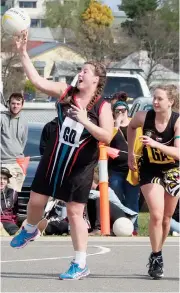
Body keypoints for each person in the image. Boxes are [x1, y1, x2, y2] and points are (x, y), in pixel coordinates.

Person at [10, 31, 113, 280]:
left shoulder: (102, 106)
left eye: (86, 71)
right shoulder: (66, 93)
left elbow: (106, 137)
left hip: (79, 166)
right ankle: (31, 229)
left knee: (75, 212)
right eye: (81, 69)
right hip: (55, 158)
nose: (81, 73)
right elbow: (37, 82)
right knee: (35, 201)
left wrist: (85, 121)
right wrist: (23, 53)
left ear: (96, 79)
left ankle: (80, 263)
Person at [127, 84, 180, 279]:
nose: (155, 102)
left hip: (173, 170)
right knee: (156, 215)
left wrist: (156, 144)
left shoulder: (177, 122)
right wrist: (132, 152)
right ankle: (156, 256)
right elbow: (131, 127)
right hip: (150, 169)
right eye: (154, 98)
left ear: (171, 102)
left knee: (167, 218)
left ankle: (158, 250)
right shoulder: (144, 116)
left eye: (160, 99)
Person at [108, 92, 140, 234]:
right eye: (117, 111)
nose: (121, 113)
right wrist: (116, 124)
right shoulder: (111, 127)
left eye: (123, 110)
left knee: (132, 199)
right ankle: (119, 224)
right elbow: (106, 141)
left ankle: (134, 227)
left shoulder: (135, 125)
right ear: (113, 113)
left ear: (127, 110)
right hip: (116, 169)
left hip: (133, 169)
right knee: (116, 197)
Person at [1, 93, 28, 192]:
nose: (15, 106)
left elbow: (23, 141)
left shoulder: (24, 121)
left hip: (19, 164)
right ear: (9, 104)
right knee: (6, 198)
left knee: (15, 197)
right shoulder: (2, 118)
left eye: (18, 103)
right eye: (13, 103)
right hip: (4, 163)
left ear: (22, 105)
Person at [0, 167, 19, 236]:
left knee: (16, 233)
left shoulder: (12, 192)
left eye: (5, 178)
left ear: (8, 181)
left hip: (7, 220)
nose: (2, 181)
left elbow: (14, 209)